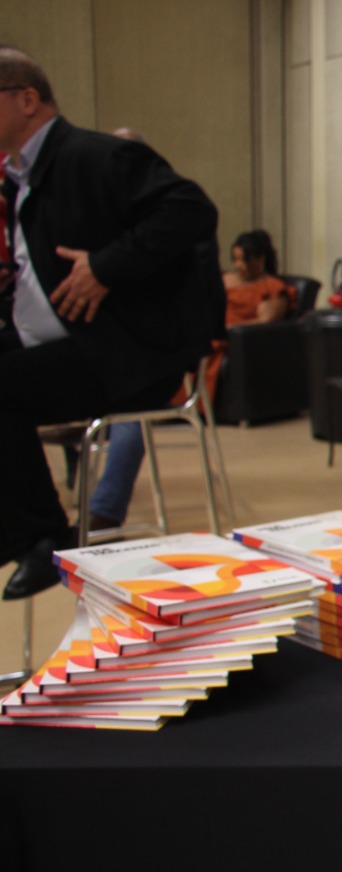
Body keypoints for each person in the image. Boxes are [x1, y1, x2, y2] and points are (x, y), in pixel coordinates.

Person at [0, 46, 220, 598]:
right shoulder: (19, 176)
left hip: (128, 353)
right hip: (68, 341)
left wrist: (104, 266)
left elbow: (191, 209)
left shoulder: (95, 156)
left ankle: (43, 536)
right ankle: (19, 529)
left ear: (27, 100)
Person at [83, 229, 289, 532]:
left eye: (243, 259)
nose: (238, 266)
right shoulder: (225, 279)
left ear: (259, 259)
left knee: (131, 398)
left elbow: (260, 319)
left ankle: (103, 511)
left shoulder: (270, 286)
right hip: (138, 352)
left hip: (207, 345)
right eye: (234, 260)